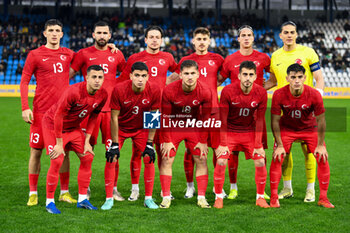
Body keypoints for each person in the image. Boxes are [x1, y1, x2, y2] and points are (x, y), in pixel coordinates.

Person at [265, 21, 325, 202]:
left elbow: (319, 77)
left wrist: (318, 98)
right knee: (284, 151)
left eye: (292, 32)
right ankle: (287, 188)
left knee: (310, 151)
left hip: (306, 109)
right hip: (284, 109)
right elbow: (272, 81)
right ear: (280, 35)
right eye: (286, 32)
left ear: (297, 34)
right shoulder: (275, 56)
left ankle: (310, 190)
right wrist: (255, 88)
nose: (289, 35)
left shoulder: (308, 52)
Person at [117, 25, 177, 201]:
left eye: (157, 37)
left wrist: (165, 83)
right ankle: (135, 189)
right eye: (151, 37)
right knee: (138, 152)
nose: (154, 40)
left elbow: (178, 71)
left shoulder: (167, 57)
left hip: (157, 110)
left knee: (159, 150)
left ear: (161, 40)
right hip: (138, 110)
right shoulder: (136, 58)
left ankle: (164, 190)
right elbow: (123, 81)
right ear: (145, 40)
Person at [20, 19, 75, 206]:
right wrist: (25, 107)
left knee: (65, 153)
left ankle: (64, 192)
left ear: (62, 34)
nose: (54, 33)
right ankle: (33, 192)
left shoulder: (68, 54)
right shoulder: (35, 55)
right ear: (45, 33)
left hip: (63, 114)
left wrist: (109, 46)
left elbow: (88, 58)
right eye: (50, 30)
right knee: (36, 152)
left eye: (57, 30)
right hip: (41, 112)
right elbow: (24, 82)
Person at [69, 20, 126, 201]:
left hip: (111, 112)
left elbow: (126, 77)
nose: (102, 36)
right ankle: (85, 189)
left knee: (113, 151)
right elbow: (67, 76)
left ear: (110, 36)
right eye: (99, 33)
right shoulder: (83, 54)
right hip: (88, 111)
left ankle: (114, 189)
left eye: (105, 33)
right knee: (87, 151)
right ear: (93, 35)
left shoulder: (117, 54)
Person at [43, 65, 108, 214]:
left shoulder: (103, 94)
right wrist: (59, 144)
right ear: (86, 78)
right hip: (52, 125)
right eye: (94, 77)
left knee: (88, 157)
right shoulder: (74, 92)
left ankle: (82, 199)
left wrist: (87, 141)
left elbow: (93, 116)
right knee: (57, 158)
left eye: (100, 77)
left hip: (74, 128)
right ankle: (50, 202)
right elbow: (58, 116)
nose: (97, 80)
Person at [168, 27, 224, 199]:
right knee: (190, 151)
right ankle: (190, 186)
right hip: (190, 114)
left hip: (212, 111)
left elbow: (221, 78)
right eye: (198, 39)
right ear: (193, 41)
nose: (201, 42)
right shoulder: (186, 60)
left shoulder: (218, 59)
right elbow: (173, 79)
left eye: (204, 39)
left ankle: (217, 187)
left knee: (216, 150)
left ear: (209, 41)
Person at [269, 63, 333, 208]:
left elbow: (321, 120)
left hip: (310, 129)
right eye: (293, 77)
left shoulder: (314, 94)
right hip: (287, 129)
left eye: (299, 77)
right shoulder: (278, 94)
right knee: (277, 156)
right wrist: (279, 145)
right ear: (287, 78)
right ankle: (274, 198)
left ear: (304, 78)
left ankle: (323, 197)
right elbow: (275, 121)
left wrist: (321, 145)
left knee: (322, 156)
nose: (296, 80)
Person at [218, 25, 271, 200]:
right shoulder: (230, 59)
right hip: (234, 113)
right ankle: (233, 187)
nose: (246, 38)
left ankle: (261, 191)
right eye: (243, 35)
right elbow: (219, 80)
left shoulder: (263, 58)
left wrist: (260, 90)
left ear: (253, 38)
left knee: (260, 151)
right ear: (238, 38)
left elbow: (275, 77)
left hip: (255, 113)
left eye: (249, 35)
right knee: (231, 154)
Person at [102, 62, 161, 210]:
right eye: (137, 75)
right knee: (111, 157)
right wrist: (114, 143)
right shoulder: (119, 89)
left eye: (143, 76)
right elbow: (114, 117)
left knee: (149, 157)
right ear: (130, 76)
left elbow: (154, 116)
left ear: (148, 76)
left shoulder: (154, 89)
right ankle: (109, 198)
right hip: (120, 128)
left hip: (141, 128)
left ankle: (148, 198)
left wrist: (149, 143)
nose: (140, 79)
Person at [214, 61, 269, 209]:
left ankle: (260, 197)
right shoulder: (227, 91)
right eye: (245, 74)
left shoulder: (262, 93)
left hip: (249, 132)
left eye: (251, 75)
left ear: (256, 76)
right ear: (238, 76)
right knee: (221, 161)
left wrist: (258, 145)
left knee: (260, 161)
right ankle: (218, 197)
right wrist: (223, 143)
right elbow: (223, 119)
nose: (248, 78)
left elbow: (259, 120)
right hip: (230, 131)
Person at [160, 60, 213, 209]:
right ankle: (165, 197)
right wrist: (167, 140)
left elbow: (206, 118)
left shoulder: (205, 91)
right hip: (174, 126)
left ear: (198, 74)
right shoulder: (169, 90)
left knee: (201, 158)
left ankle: (202, 197)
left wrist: (203, 141)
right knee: (166, 158)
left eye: (192, 73)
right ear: (180, 75)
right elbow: (164, 117)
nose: (190, 77)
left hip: (193, 127)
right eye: (186, 73)